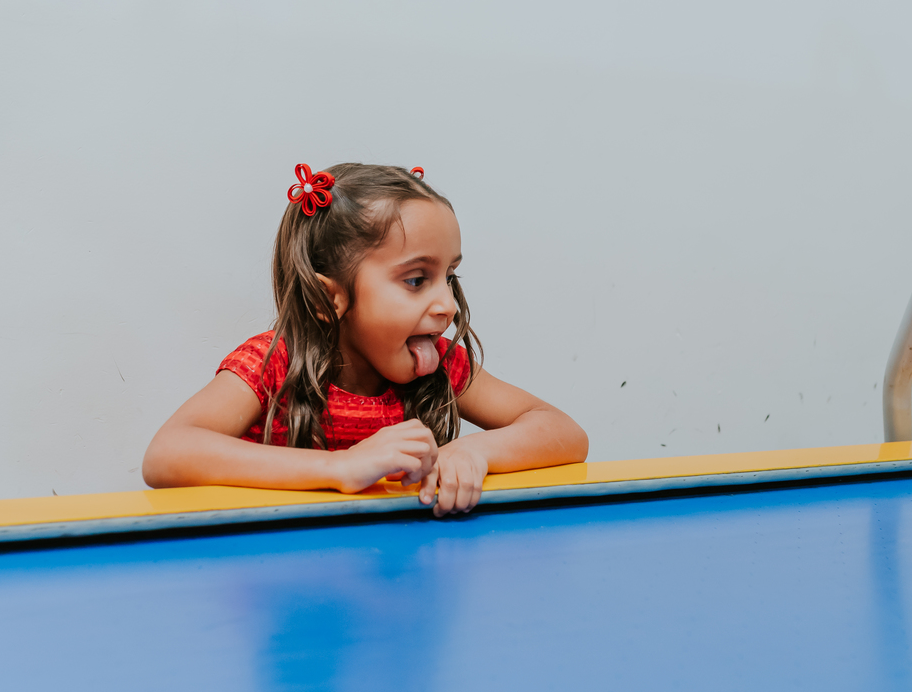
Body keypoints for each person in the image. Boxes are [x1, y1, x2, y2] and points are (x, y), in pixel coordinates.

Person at [143, 163, 588, 516]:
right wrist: (338, 467)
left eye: (448, 277)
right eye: (416, 279)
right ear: (327, 297)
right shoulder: (275, 361)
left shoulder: (441, 366)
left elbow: (564, 432)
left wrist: (474, 451)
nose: (448, 304)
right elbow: (168, 453)